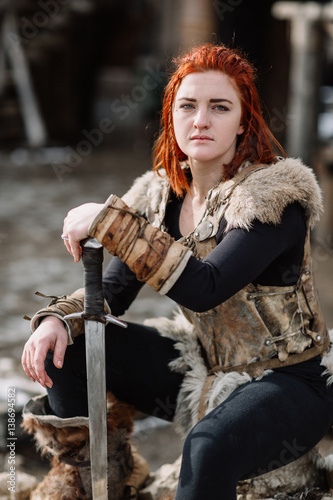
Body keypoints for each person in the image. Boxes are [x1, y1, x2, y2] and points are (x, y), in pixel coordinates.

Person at [22, 43, 333, 500]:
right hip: (202, 365)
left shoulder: (273, 198)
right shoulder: (160, 197)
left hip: (288, 382)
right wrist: (58, 319)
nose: (201, 120)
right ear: (171, 116)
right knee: (68, 343)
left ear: (243, 121)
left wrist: (110, 223)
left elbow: (205, 287)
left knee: (206, 447)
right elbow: (113, 292)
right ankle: (95, 482)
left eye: (219, 107)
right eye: (187, 106)